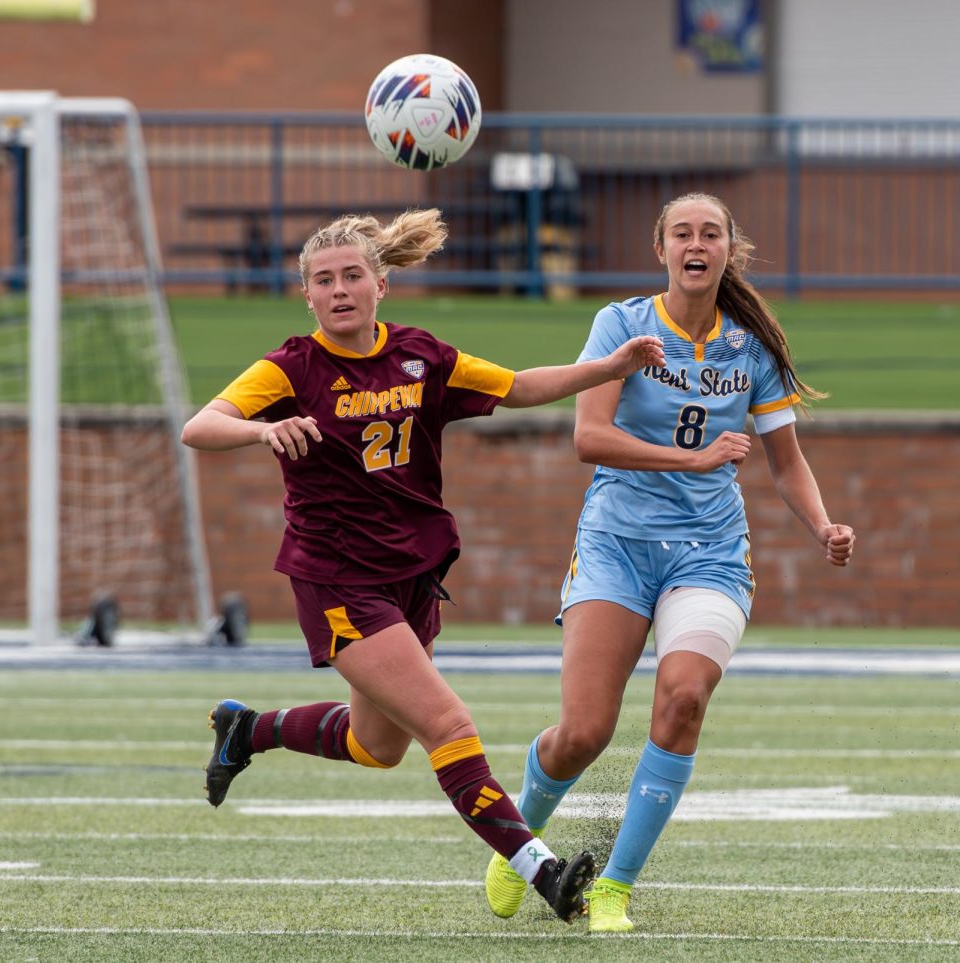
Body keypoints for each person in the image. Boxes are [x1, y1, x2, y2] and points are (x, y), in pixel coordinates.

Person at [180, 208, 666, 924]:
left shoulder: (422, 355)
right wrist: (263, 428)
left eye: (352, 275)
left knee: (377, 745)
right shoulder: (291, 367)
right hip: (340, 577)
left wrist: (612, 366)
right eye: (324, 280)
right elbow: (199, 426)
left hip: (414, 571)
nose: (339, 289)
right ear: (307, 296)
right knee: (448, 722)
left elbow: (518, 386)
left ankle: (249, 730)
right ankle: (544, 872)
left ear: (381, 284)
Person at [483, 192, 856, 932]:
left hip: (711, 553)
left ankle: (615, 886)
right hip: (616, 544)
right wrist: (693, 458)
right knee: (583, 732)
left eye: (709, 233)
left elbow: (786, 461)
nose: (696, 243)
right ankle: (518, 841)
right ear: (661, 248)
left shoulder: (749, 345)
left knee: (683, 698)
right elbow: (589, 439)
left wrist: (822, 523)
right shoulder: (620, 325)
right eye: (682, 232)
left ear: (727, 250)